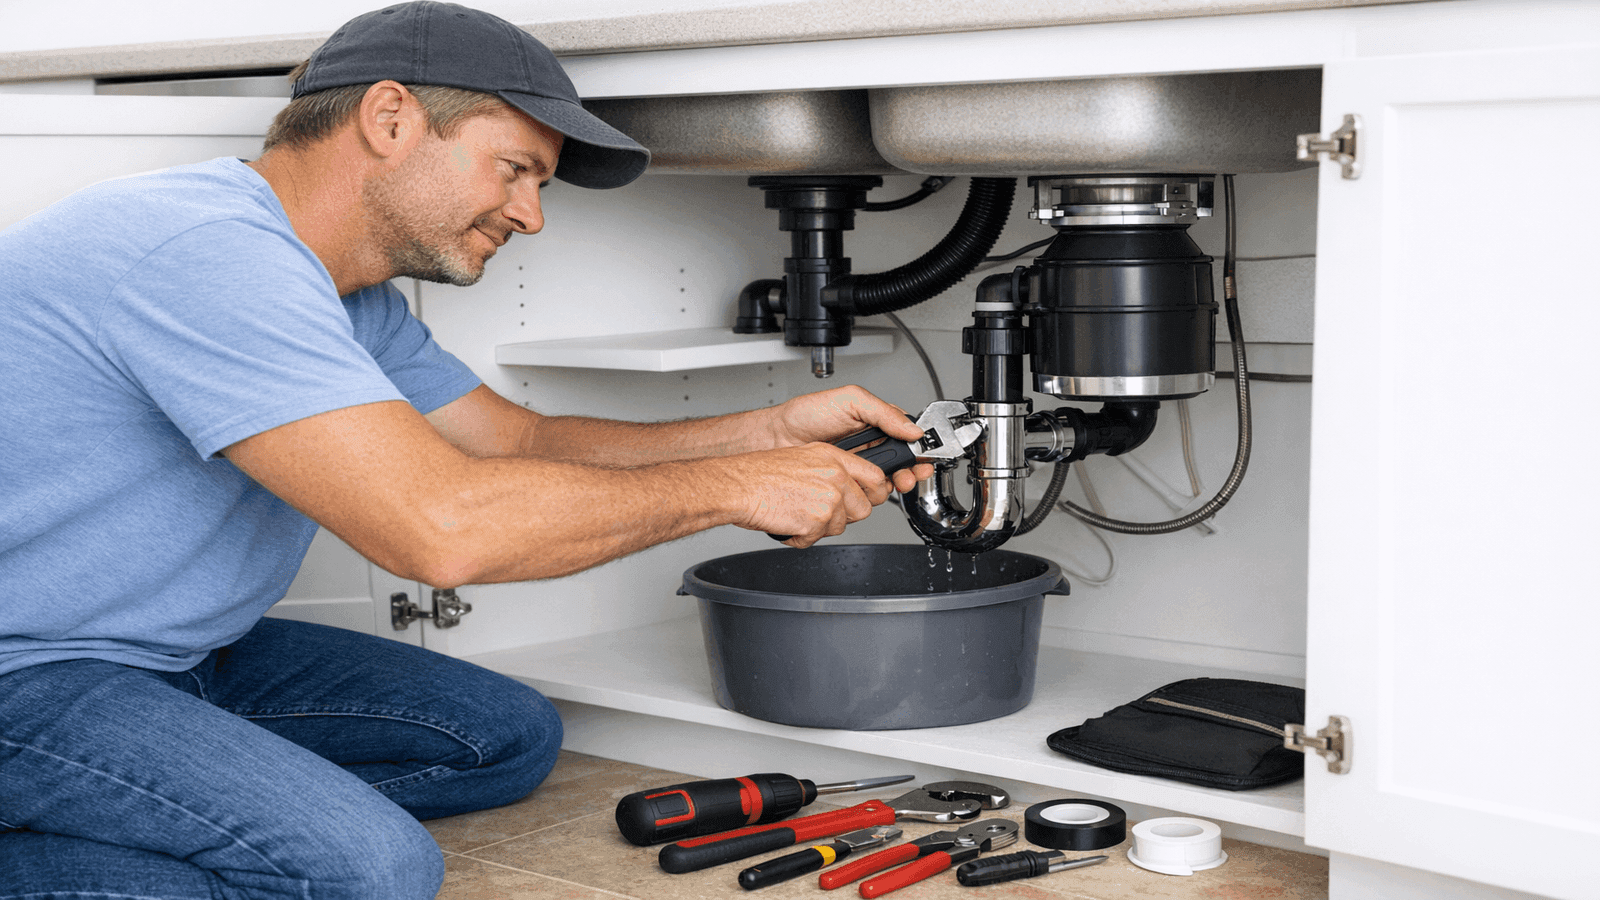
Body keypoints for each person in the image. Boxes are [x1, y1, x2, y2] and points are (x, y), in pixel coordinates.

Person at [0, 3, 930, 897]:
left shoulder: (345, 294)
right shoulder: (201, 250)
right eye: (513, 168)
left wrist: (767, 433)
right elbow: (440, 532)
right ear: (391, 116)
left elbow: (514, 441)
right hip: (24, 674)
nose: (529, 215)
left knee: (506, 738)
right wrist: (739, 488)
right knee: (368, 870)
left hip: (174, 657)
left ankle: (145, 796)